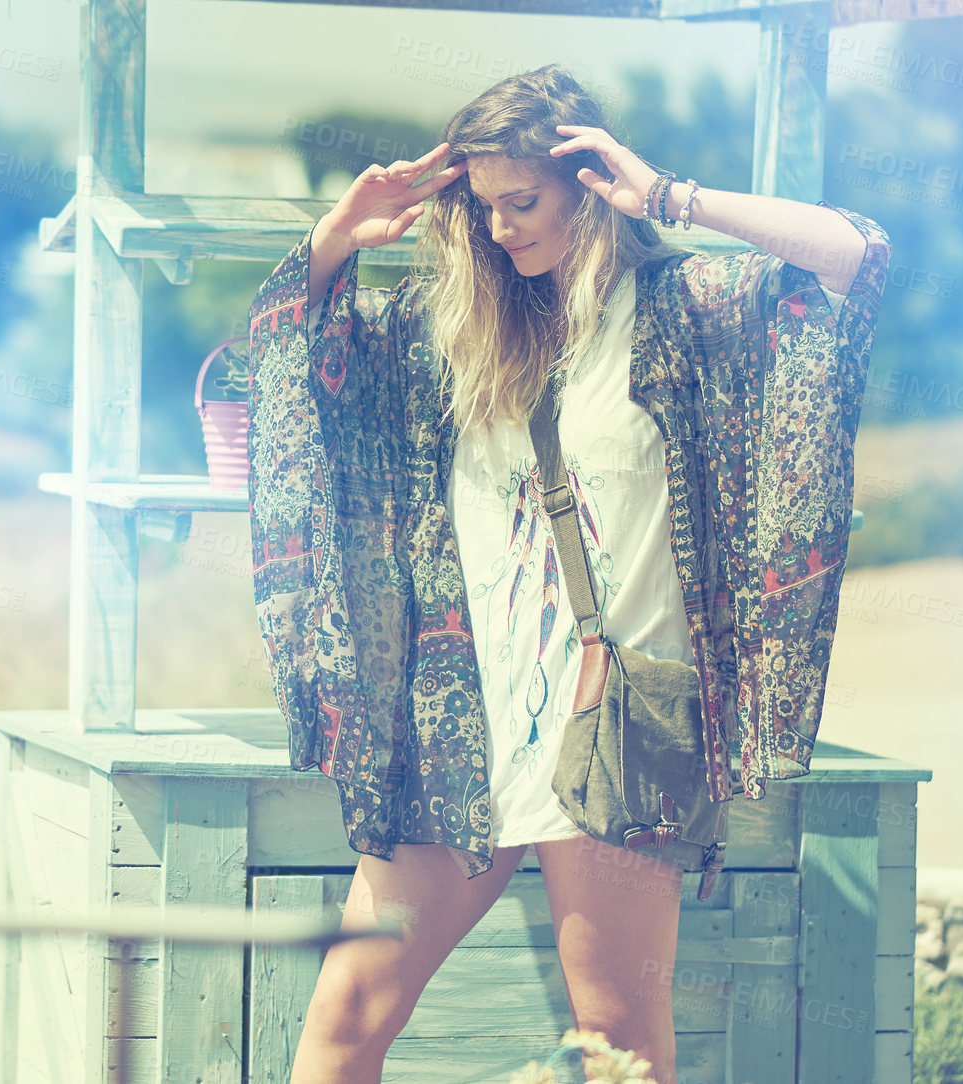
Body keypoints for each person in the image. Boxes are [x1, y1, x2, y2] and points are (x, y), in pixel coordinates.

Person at [243, 64, 891, 1084]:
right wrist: (335, 237)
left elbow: (856, 257)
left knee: (619, 1049)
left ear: (587, 184)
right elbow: (291, 369)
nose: (500, 230)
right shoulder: (440, 333)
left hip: (612, 737)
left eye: (523, 201)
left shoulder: (686, 312)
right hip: (457, 731)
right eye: (482, 207)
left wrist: (672, 198)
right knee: (342, 1020)